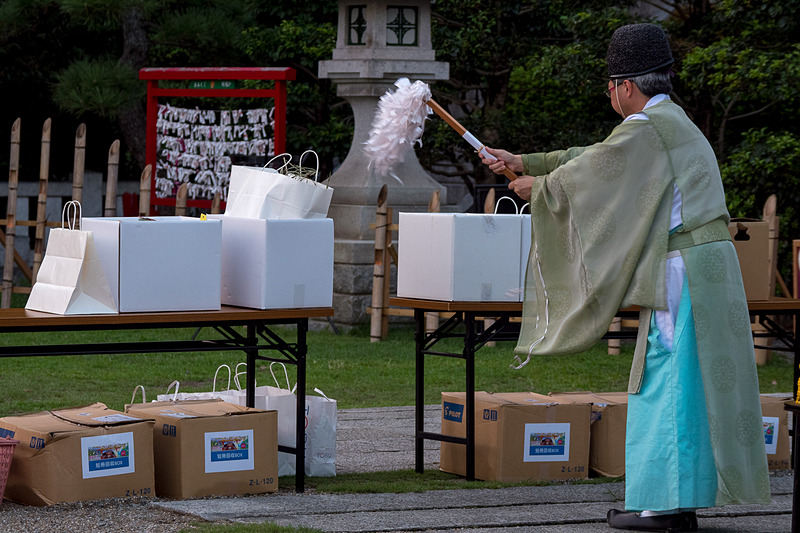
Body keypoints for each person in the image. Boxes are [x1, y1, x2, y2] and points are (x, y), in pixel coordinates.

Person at [481, 23, 770, 532]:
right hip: (705, 267)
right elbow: (596, 157)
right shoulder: (666, 123)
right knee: (692, 384)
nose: (610, 94)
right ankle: (678, 501)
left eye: (610, 85)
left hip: (686, 273)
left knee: (668, 381)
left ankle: (662, 507)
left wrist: (540, 188)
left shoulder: (647, 129)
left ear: (626, 86)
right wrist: (523, 162)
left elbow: (588, 173)